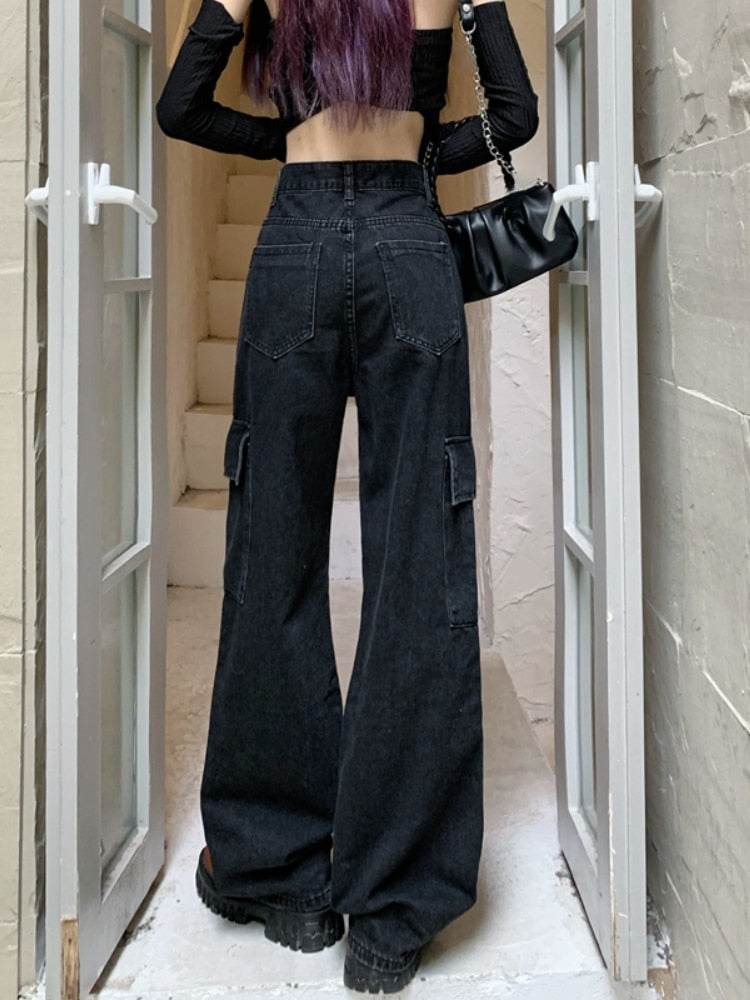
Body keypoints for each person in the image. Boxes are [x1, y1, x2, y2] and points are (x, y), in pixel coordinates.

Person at [157, 0, 537, 992]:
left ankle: (280, 874)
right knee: (420, 560)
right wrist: (424, 148)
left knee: (272, 554)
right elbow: (515, 115)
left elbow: (181, 107)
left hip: (297, 247)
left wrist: (283, 139)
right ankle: (393, 911)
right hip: (411, 246)